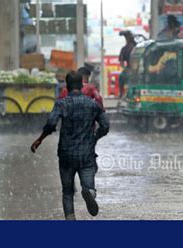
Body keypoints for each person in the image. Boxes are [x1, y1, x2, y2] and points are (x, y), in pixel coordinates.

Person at [31, 71, 110, 220]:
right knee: (88, 184)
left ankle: (71, 220)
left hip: (66, 154)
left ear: (66, 86)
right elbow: (105, 125)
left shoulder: (62, 104)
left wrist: (40, 139)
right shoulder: (92, 104)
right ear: (81, 85)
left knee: (67, 192)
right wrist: (94, 138)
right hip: (86, 154)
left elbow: (51, 124)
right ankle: (89, 192)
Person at [118, 30, 136, 97]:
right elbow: (121, 62)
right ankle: (121, 93)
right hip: (130, 69)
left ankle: (122, 93)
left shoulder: (136, 47)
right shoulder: (124, 49)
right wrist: (126, 68)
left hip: (136, 69)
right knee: (121, 77)